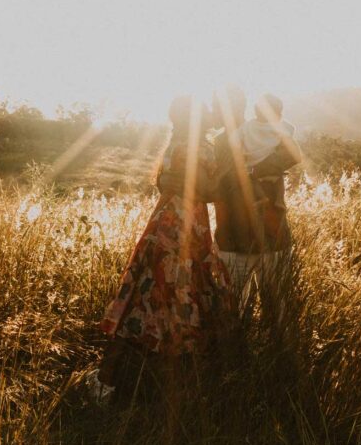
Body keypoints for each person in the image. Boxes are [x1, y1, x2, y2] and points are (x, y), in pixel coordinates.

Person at [87, 95, 233, 404]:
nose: (210, 114)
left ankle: (106, 383)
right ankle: (176, 395)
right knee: (182, 301)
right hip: (185, 232)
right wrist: (230, 171)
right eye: (204, 112)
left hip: (163, 228)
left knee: (143, 299)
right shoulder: (200, 148)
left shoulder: (176, 143)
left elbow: (168, 183)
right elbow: (206, 190)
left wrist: (176, 181)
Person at [211, 87, 302, 327]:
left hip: (264, 234)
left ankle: (273, 356)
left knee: (274, 309)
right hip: (238, 236)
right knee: (236, 310)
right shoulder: (220, 142)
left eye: (216, 107)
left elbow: (291, 155)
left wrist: (257, 171)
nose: (213, 113)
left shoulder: (229, 141)